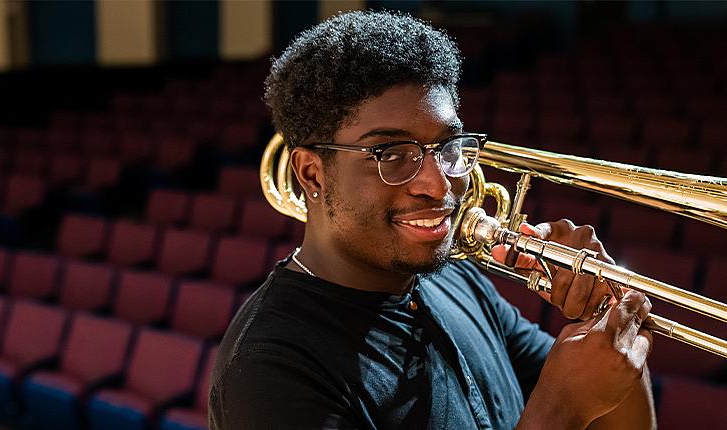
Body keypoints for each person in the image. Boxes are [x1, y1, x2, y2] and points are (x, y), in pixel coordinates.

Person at [209, 11, 654, 430]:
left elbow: (611, 409)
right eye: (392, 154)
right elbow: (569, 406)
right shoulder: (269, 368)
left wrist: (608, 316)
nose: (439, 186)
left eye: (447, 147)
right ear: (311, 173)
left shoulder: (454, 277)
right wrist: (559, 412)